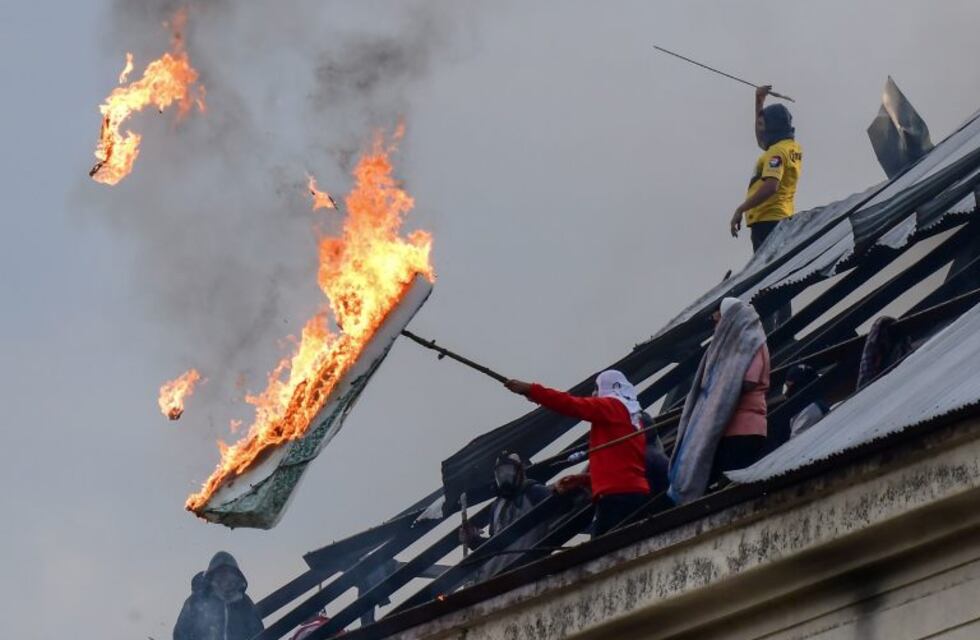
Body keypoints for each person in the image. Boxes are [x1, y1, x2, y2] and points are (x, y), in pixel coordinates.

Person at [504, 370, 649, 537]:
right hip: (632, 492)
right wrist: (585, 479)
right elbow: (620, 466)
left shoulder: (612, 406)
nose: (594, 393)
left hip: (616, 496)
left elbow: (571, 404)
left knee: (605, 547)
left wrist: (531, 390)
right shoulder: (633, 418)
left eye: (597, 388)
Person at [668, 298, 769, 504]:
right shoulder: (738, 342)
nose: (716, 326)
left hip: (741, 428)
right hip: (733, 429)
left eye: (718, 319)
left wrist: (722, 386)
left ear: (730, 318)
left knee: (732, 485)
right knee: (726, 483)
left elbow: (748, 381)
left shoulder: (750, 341)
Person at [730, 85, 803, 330]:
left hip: (768, 221)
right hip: (780, 219)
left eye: (764, 123)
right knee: (780, 276)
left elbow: (771, 186)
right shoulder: (789, 148)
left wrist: (741, 208)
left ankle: (773, 332)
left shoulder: (776, 154)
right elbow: (761, 139)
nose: (761, 129)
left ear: (773, 126)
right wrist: (758, 103)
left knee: (768, 280)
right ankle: (784, 329)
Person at [459, 452, 553, 579]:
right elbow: (496, 545)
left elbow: (564, 506)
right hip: (494, 577)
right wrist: (474, 540)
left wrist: (563, 492)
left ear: (520, 471)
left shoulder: (534, 492)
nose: (504, 476)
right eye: (500, 473)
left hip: (525, 572)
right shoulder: (497, 506)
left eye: (508, 471)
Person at [173, 551, 264, 640]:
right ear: (212, 576)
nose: (226, 578)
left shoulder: (245, 603)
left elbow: (258, 632)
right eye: (221, 573)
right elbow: (180, 634)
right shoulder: (196, 602)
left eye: (230, 573)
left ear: (236, 576)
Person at [784, 363, 829, 439]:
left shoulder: (809, 411)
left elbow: (796, 443)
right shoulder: (809, 407)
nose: (786, 392)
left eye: (787, 386)